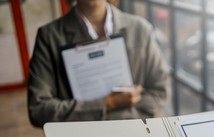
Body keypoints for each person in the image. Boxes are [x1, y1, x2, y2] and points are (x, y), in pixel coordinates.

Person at [28, 0, 170, 128]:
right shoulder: (48, 37)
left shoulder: (140, 29)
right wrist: (109, 104)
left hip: (138, 133)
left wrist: (105, 119)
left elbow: (160, 92)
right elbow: (38, 110)